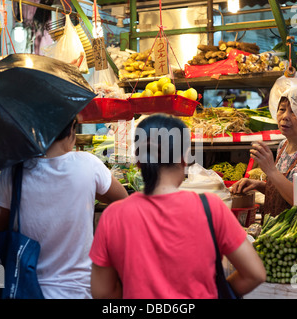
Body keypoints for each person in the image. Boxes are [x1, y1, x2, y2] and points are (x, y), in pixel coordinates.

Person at [89, 113, 266, 299]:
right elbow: (255, 274)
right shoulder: (211, 208)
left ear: (139, 162)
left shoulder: (114, 215)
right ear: (183, 159)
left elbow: (102, 291)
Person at [0, 117, 128, 299]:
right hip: (80, 290)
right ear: (72, 130)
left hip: (26, 288)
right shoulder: (89, 165)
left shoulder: (15, 171)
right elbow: (124, 202)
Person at [231, 87, 297, 217]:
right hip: (276, 230)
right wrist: (258, 185)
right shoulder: (284, 145)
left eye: (294, 112)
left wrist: (271, 170)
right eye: (282, 109)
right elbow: (284, 191)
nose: (285, 116)